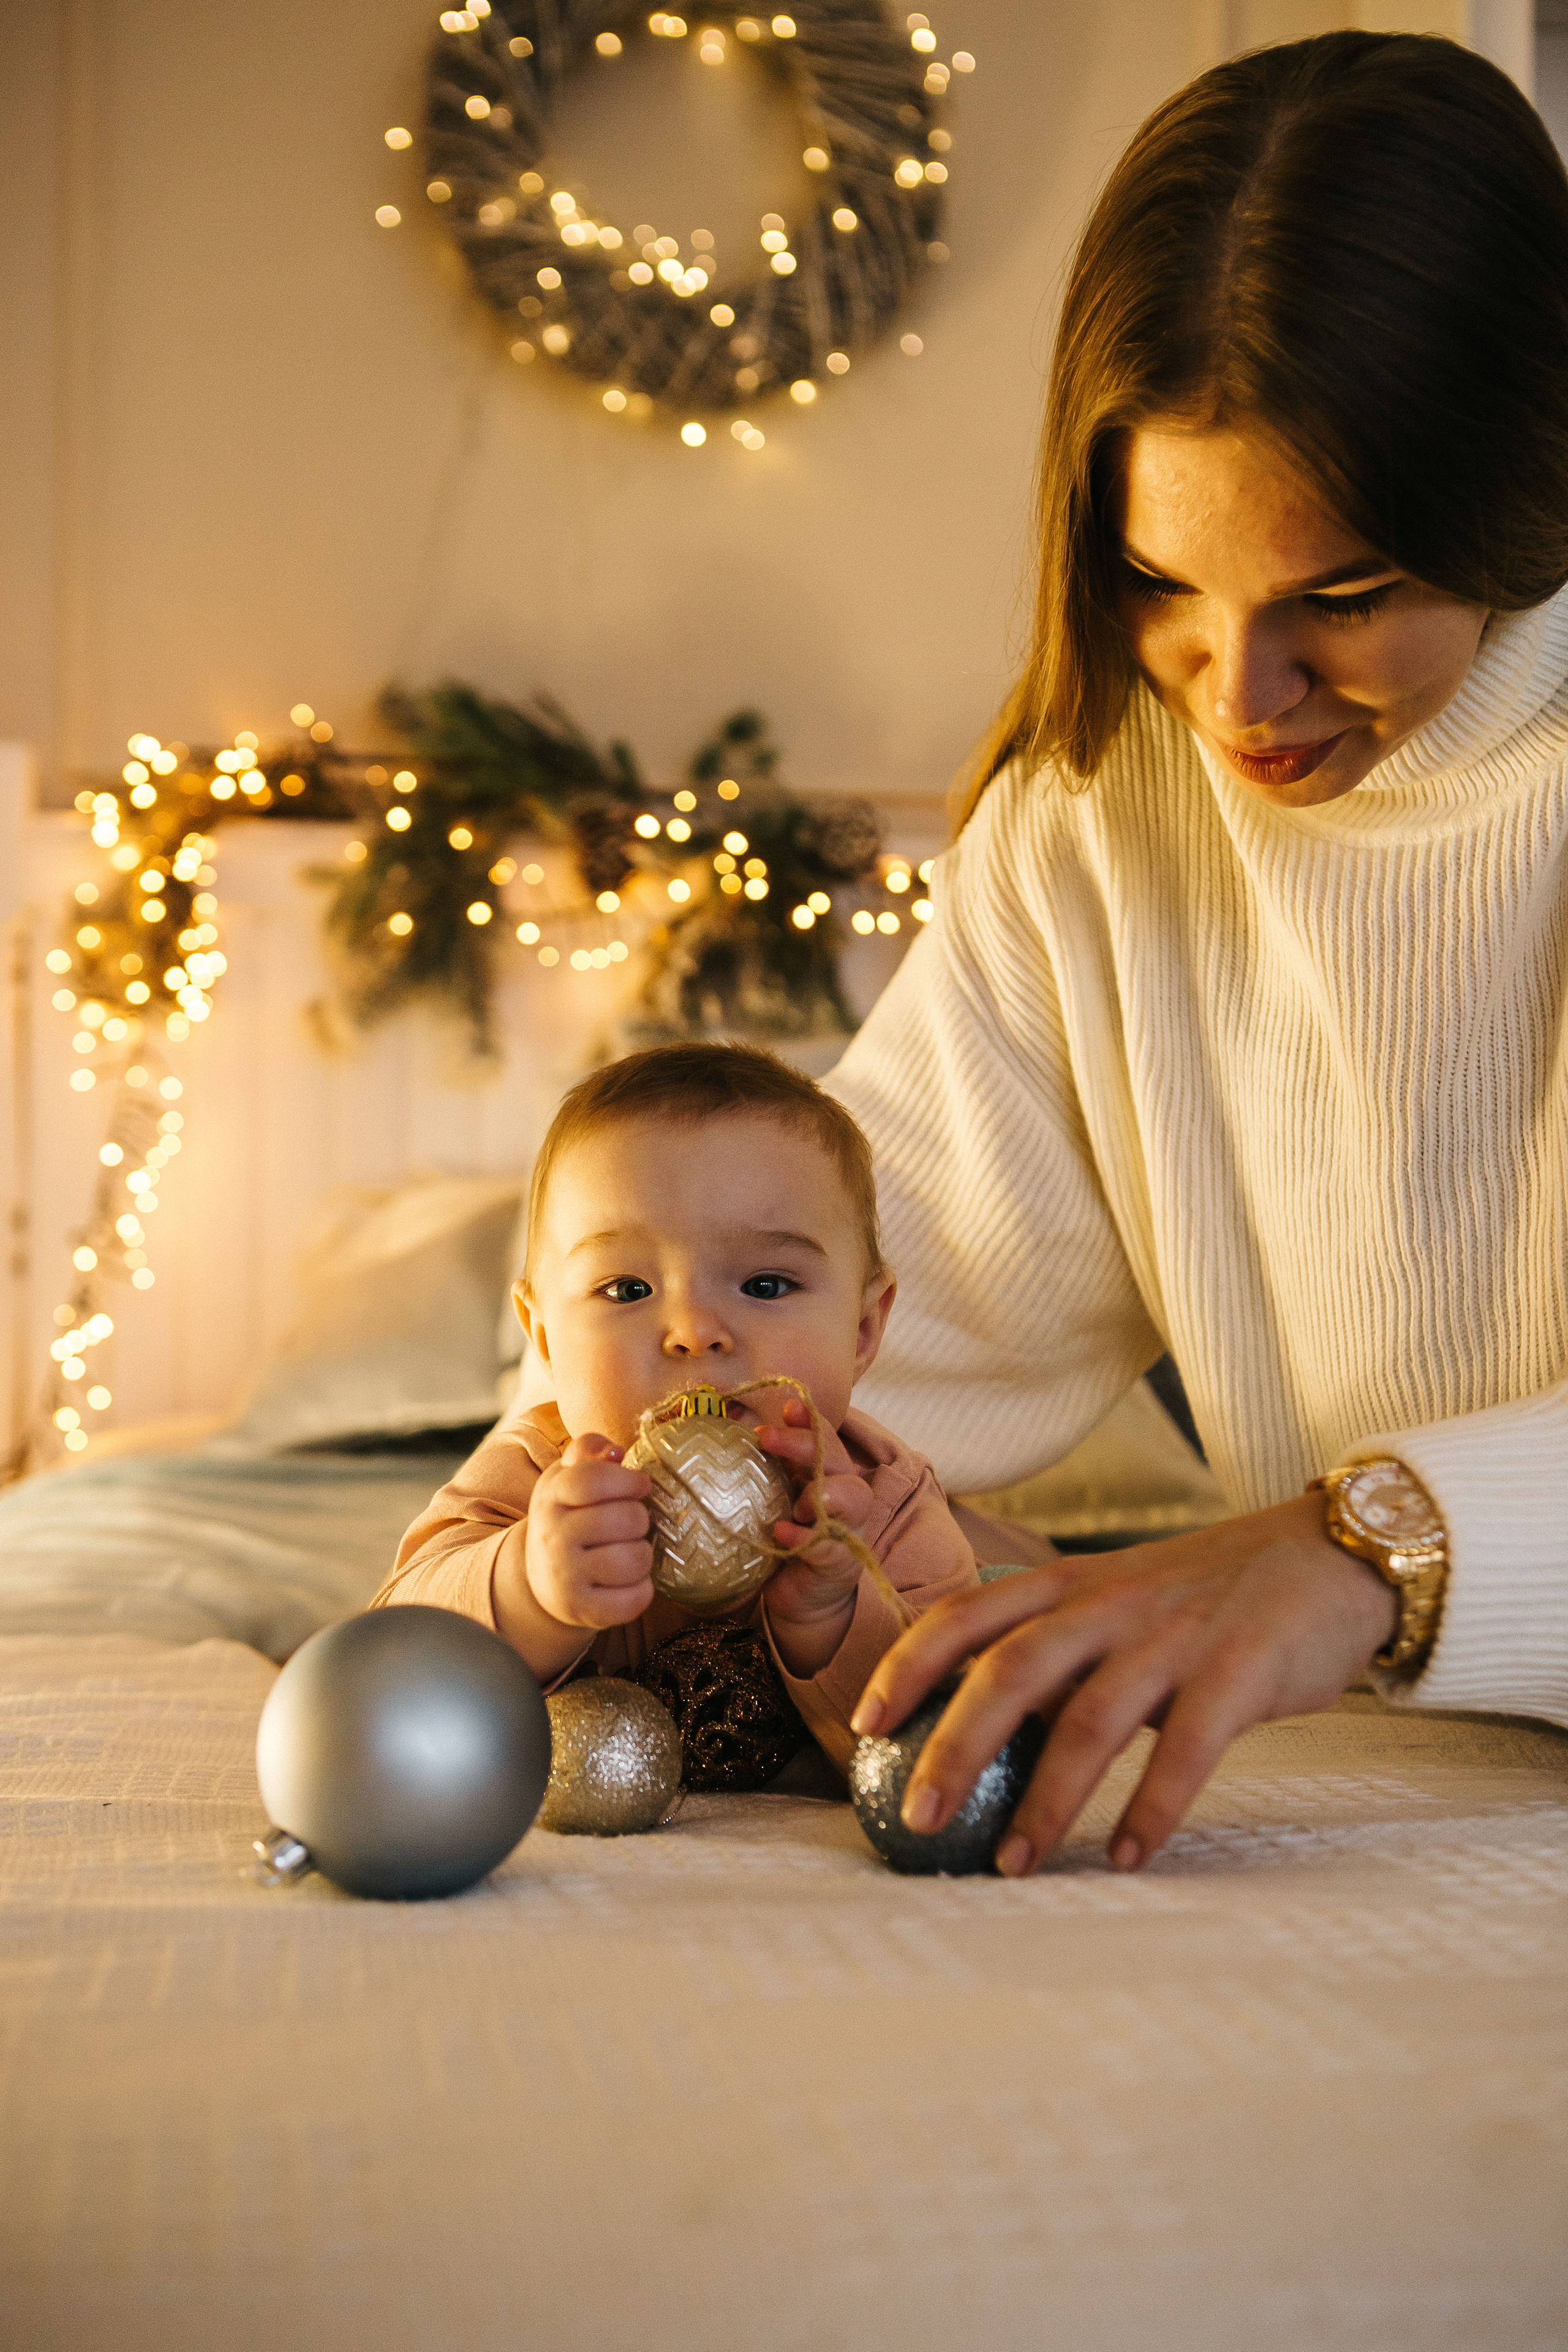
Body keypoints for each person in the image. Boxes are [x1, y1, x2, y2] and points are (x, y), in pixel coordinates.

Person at [828, 30, 1568, 1874]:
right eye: (1161, 582)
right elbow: (846, 1302)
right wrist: (597, 1467)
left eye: (1341, 598)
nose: (1236, 698)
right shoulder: (1087, 823)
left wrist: (1354, 1547)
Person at [371, 1043, 979, 1767]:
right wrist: (528, 1590)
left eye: (764, 1285)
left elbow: (956, 1754)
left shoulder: (883, 1506)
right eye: (627, 1289)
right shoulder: (532, 1482)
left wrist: (832, 1614)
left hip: (789, 1875)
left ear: (861, 1329)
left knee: (1008, 1603)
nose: (693, 1333)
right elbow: (387, 1667)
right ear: (543, 1338)